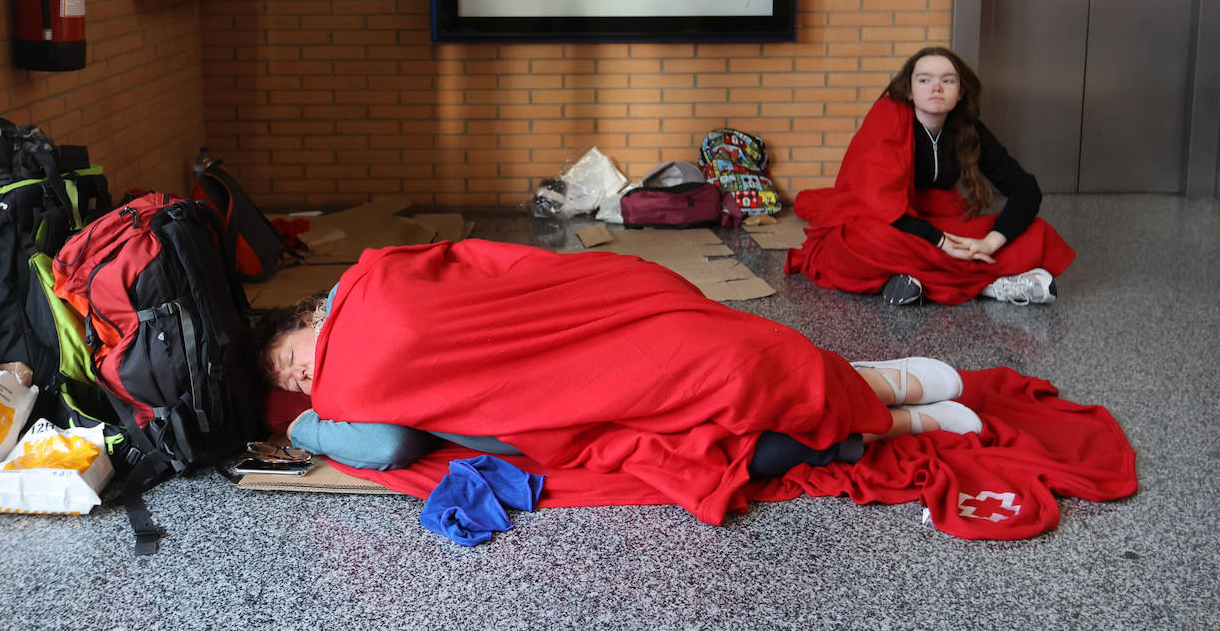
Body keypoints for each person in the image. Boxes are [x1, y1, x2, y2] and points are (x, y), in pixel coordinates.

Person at [251, 240, 984, 522]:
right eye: (291, 380)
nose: (301, 373)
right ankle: (893, 418)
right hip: (556, 409)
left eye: (288, 355)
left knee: (734, 361)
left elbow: (483, 262)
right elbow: (383, 444)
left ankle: (876, 384)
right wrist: (305, 421)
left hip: (577, 327)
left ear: (307, 315)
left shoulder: (374, 275)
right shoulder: (341, 401)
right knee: (727, 433)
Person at [785, 47, 1075, 307]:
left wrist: (989, 243)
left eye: (947, 80)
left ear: (960, 92)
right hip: (893, 222)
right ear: (909, 90)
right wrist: (941, 243)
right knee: (854, 243)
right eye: (924, 80)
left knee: (1038, 232)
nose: (936, 87)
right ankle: (987, 284)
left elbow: (1026, 188)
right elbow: (879, 206)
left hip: (938, 217)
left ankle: (916, 278)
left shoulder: (967, 127)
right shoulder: (887, 117)